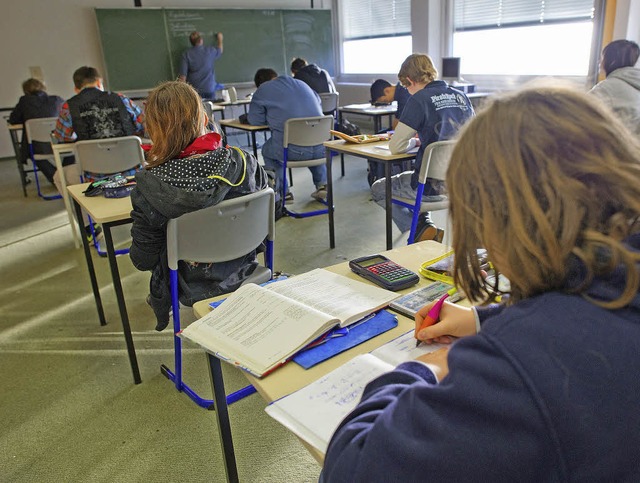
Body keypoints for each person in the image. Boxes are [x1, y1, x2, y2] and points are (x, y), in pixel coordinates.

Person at [322, 82, 640, 482]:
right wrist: (481, 320)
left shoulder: (521, 362)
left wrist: (427, 369)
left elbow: (351, 469)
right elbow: (589, 311)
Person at [129, 81, 268, 331]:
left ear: (152, 130)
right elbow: (269, 214)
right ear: (204, 118)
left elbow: (143, 259)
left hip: (189, 288)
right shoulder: (244, 162)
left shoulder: (149, 187)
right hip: (246, 271)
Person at [371, 54, 474, 242]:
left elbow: (396, 147)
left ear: (409, 80)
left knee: (378, 188)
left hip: (429, 188)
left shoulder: (419, 99)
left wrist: (412, 142)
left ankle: (420, 229)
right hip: (461, 185)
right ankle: (425, 226)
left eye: (406, 87)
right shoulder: (462, 96)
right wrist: (424, 141)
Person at [52, 66, 145, 193]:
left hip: (94, 176)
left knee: (59, 176)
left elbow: (63, 137)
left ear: (76, 89)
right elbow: (142, 125)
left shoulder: (69, 106)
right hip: (131, 171)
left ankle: (83, 211)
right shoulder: (121, 99)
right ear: (99, 83)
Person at [246, 68, 327, 203]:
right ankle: (323, 184)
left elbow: (255, 121)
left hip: (292, 151)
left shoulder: (263, 89)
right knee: (309, 141)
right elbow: (318, 102)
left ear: (260, 84)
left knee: (267, 150)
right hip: (321, 148)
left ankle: (284, 193)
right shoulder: (302, 83)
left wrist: (272, 117)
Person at [9, 78, 64, 184]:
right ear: (43, 87)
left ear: (26, 91)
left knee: (30, 151)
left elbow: (13, 120)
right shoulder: (56, 100)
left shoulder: (24, 101)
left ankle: (54, 177)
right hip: (59, 140)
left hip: (38, 145)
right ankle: (64, 175)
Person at [591, 39, 640, 136]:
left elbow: (580, 113)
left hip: (621, 146)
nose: (599, 61)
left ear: (611, 60)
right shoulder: (635, 81)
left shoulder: (606, 88)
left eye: (602, 57)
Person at [178, 31, 224, 99]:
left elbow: (182, 77)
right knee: (210, 108)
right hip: (209, 88)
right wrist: (220, 39)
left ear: (191, 42)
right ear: (201, 40)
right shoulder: (209, 51)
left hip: (194, 91)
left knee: (197, 109)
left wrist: (182, 94)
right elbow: (220, 50)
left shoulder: (186, 55)